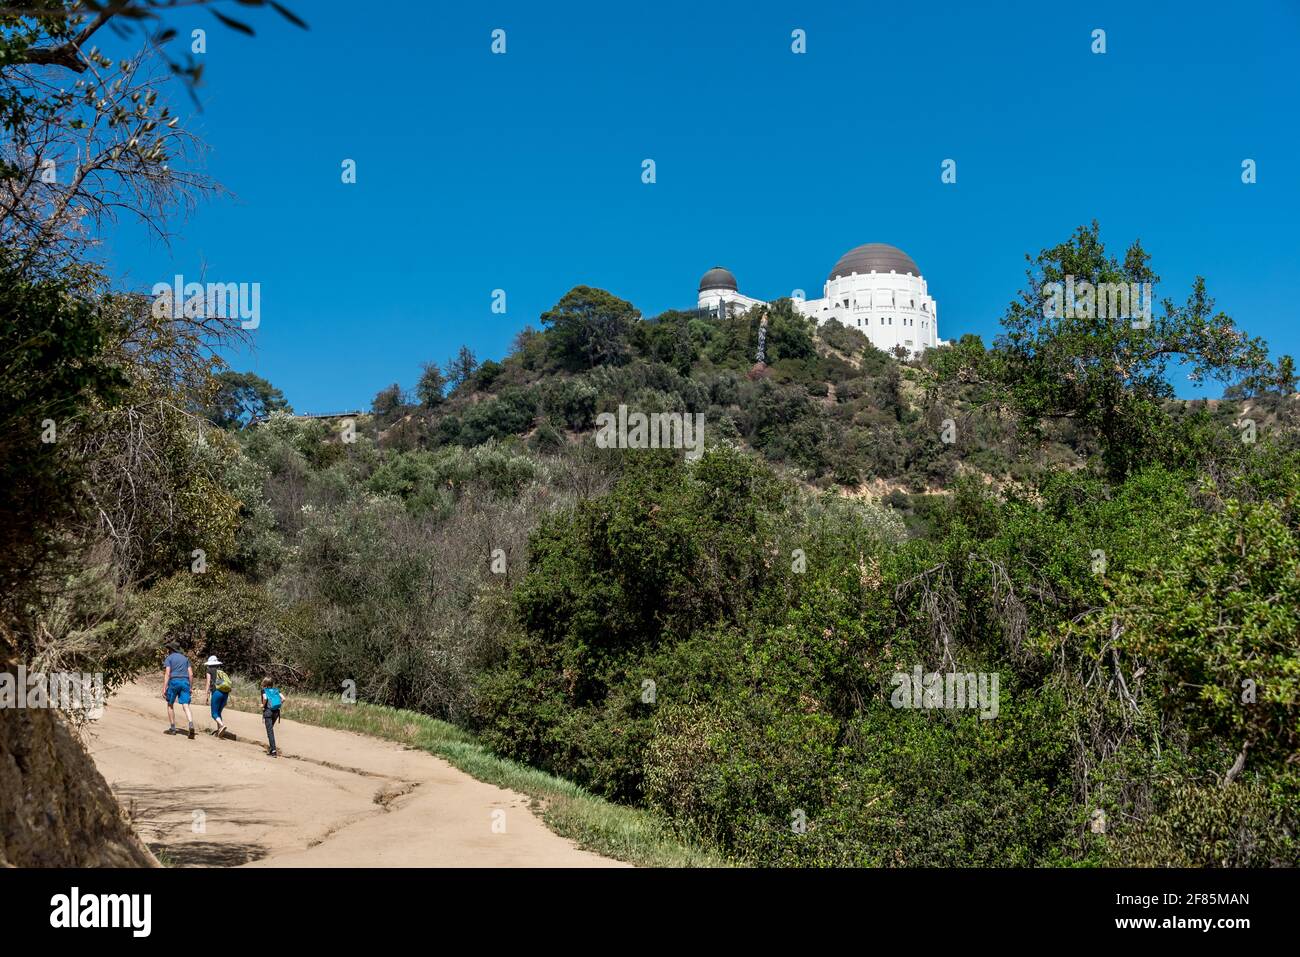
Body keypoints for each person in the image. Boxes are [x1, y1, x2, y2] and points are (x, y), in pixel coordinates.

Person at [162, 642, 195, 739]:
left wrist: (164, 687)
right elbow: (191, 674)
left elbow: (167, 673)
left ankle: (172, 728)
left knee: (170, 704)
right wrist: (190, 687)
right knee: (186, 705)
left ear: (171, 650)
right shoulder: (185, 659)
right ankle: (191, 724)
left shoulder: (169, 658)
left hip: (174, 681)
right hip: (185, 682)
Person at [204, 655, 233, 738]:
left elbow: (208, 683)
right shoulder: (221, 672)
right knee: (218, 713)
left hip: (217, 693)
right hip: (225, 694)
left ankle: (222, 725)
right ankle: (219, 731)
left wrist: (206, 695)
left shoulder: (209, 670)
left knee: (214, 714)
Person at [260, 678, 283, 757]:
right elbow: (283, 699)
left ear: (265, 683)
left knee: (270, 731)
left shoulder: (264, 690)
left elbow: (265, 698)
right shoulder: (276, 690)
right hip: (276, 712)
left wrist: (263, 705)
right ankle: (271, 748)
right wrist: (278, 705)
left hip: (268, 712)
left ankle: (273, 751)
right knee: (270, 730)